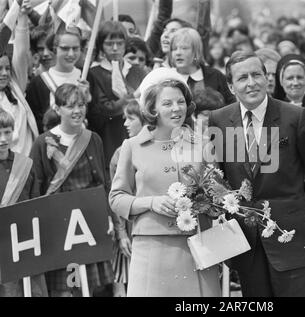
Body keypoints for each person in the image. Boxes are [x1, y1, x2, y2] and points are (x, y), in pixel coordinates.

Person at [209, 51, 305, 297]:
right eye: (243, 78)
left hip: (291, 235)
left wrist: (293, 207)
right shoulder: (219, 119)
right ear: (232, 86)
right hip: (247, 242)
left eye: (257, 74)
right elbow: (219, 177)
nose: (251, 82)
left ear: (267, 78)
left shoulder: (296, 116)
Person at [109, 76, 221, 297]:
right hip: (151, 250)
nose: (176, 109)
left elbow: (217, 195)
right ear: (153, 109)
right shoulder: (132, 147)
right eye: (167, 103)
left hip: (198, 247)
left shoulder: (203, 145)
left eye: (180, 102)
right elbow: (116, 198)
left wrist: (208, 202)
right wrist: (151, 202)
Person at [30, 84, 114, 297]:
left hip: (88, 222)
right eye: (70, 106)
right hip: (58, 224)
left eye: (81, 105)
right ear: (57, 109)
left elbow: (102, 183)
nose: (77, 111)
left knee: (89, 286)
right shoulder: (42, 142)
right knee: (65, 288)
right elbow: (36, 186)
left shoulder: (92, 138)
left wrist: (109, 218)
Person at [0, 109, 48, 297]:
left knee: (35, 291)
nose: (3, 139)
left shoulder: (25, 165)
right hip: (2, 247)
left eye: (7, 132)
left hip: (27, 243)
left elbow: (35, 206)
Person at [87, 21, 147, 167]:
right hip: (110, 137)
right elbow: (103, 109)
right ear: (101, 45)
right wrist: (129, 99)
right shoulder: (94, 73)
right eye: (109, 44)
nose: (115, 48)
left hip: (137, 136)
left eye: (119, 43)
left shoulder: (137, 71)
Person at [109, 100, 145, 297]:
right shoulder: (120, 153)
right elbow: (115, 198)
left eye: (130, 118)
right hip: (131, 225)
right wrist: (121, 234)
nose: (125, 124)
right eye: (125, 118)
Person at [26, 27, 86, 133]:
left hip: (83, 144)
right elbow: (36, 123)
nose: (71, 54)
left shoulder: (87, 77)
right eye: (65, 48)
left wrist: (88, 99)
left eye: (75, 48)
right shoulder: (38, 83)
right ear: (54, 49)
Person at [0, 0, 39, 156]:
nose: (4, 73)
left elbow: (21, 52)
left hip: (26, 169)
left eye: (7, 68)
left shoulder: (16, 86)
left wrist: (22, 17)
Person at [169, 27, 235, 105]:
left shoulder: (216, 76)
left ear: (196, 51)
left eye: (184, 48)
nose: (178, 53)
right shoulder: (167, 78)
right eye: (174, 49)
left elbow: (231, 107)